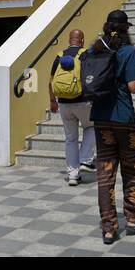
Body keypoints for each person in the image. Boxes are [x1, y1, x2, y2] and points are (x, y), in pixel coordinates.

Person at [90, 10, 135, 244]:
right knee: (132, 169)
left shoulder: (96, 49)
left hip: (101, 119)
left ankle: (108, 228)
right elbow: (133, 86)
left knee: (105, 174)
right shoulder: (128, 51)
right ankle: (133, 219)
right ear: (126, 29)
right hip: (124, 119)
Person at [49, 29, 96, 186]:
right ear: (82, 40)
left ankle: (73, 175)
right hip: (82, 101)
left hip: (63, 102)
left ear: (69, 40)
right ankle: (84, 160)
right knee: (91, 128)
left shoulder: (60, 55)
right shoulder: (86, 53)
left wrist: (52, 101)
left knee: (70, 139)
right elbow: (92, 78)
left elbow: (50, 82)